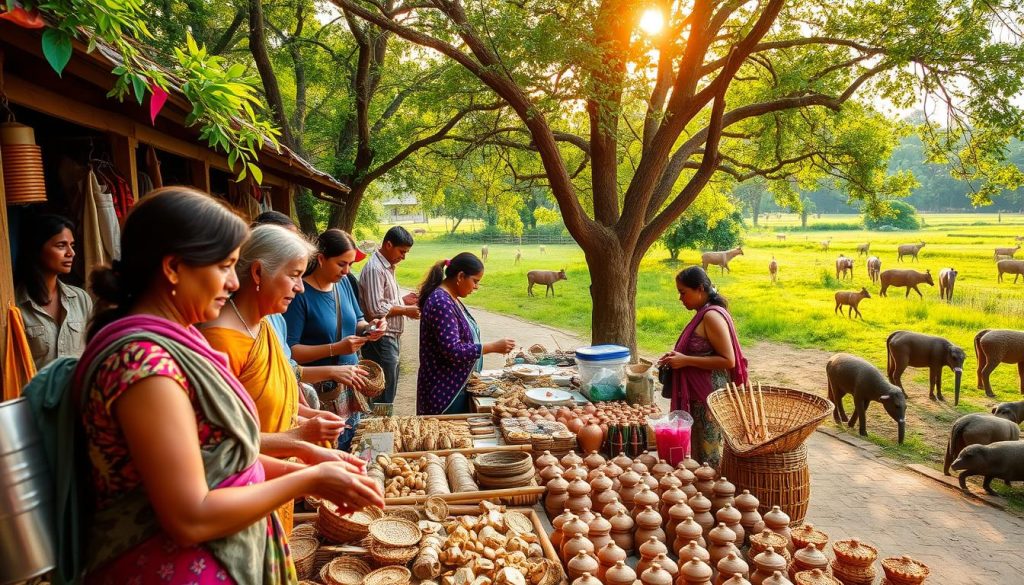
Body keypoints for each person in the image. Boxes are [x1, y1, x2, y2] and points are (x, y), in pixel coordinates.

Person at [77, 187, 383, 583]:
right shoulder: (144, 366)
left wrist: (310, 459)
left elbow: (218, 463)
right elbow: (190, 516)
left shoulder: (165, 347)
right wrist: (309, 477)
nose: (233, 283)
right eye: (224, 267)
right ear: (173, 268)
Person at [201, 224, 369, 534]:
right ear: (257, 274)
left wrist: (306, 416)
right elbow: (218, 446)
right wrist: (301, 444)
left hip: (277, 482)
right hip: (241, 497)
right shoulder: (219, 343)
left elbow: (274, 400)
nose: (300, 286)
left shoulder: (262, 325)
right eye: (293, 275)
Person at [285, 228, 386, 450]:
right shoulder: (298, 295)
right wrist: (336, 348)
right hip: (318, 394)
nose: (346, 271)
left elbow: (358, 321)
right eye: (341, 264)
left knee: (350, 445)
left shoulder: (345, 284)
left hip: (349, 388)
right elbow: (291, 351)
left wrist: (371, 327)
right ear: (321, 259)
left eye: (350, 265)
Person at [657, 266, 748, 468]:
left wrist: (686, 360)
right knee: (700, 455)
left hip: (709, 398)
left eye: (683, 292)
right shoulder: (703, 313)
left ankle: (715, 495)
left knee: (710, 457)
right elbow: (703, 352)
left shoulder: (711, 316)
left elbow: (728, 360)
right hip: (699, 396)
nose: (680, 299)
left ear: (699, 289)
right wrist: (677, 357)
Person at [416, 252, 515, 415]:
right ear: (461, 276)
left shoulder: (450, 297)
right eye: (475, 281)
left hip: (452, 387)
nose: (476, 287)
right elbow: (452, 350)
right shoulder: (441, 302)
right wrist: (491, 347)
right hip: (443, 393)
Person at [14, 214, 93, 370]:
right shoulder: (16, 304)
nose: (71, 253)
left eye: (72, 245)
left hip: (76, 393)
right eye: (61, 245)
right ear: (37, 249)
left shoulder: (81, 299)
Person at [358, 226, 420, 408]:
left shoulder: (387, 267)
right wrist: (405, 310)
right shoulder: (375, 269)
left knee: (389, 387)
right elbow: (375, 309)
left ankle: (383, 428)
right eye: (402, 251)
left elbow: (383, 300)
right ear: (388, 244)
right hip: (381, 338)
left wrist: (403, 300)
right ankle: (379, 430)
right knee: (383, 391)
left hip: (390, 337)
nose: (403, 256)